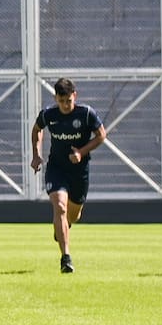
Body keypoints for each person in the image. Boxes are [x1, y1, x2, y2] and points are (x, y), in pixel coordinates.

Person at [30, 77, 107, 274]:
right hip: (57, 168)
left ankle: (63, 227)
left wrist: (81, 152)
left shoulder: (86, 114)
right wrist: (36, 155)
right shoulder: (49, 114)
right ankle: (66, 257)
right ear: (56, 98)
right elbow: (37, 129)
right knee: (60, 207)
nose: (65, 105)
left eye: (69, 101)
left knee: (74, 215)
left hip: (79, 172)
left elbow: (101, 135)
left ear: (75, 96)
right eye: (61, 101)